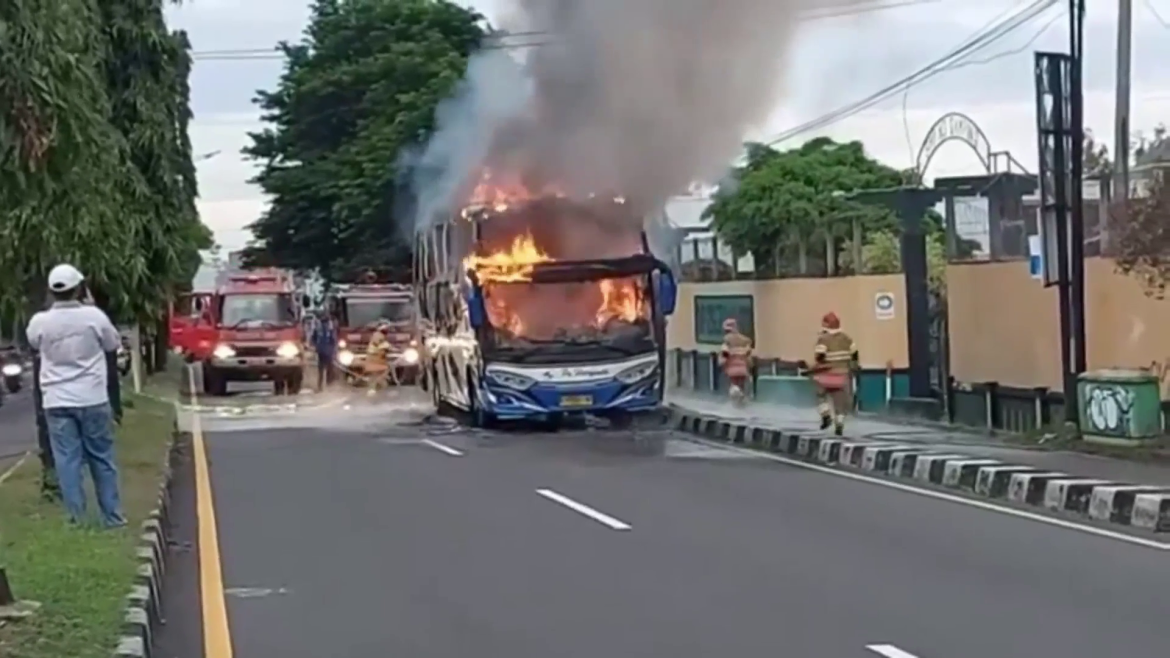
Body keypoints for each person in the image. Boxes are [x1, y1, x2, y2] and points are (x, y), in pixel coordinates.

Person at [26, 264, 125, 527]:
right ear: (80, 289)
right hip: (92, 398)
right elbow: (112, 344)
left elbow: (34, 344)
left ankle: (76, 519)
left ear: (51, 291)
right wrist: (91, 306)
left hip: (56, 401)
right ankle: (113, 518)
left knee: (67, 461)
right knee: (101, 458)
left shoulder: (40, 321)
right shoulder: (94, 316)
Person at [810, 311, 858, 436]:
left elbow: (819, 356)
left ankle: (825, 414)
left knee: (820, 393)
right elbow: (854, 354)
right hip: (842, 374)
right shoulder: (847, 339)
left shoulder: (823, 339)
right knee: (840, 400)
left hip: (827, 374)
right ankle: (839, 423)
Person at [718, 318, 753, 407]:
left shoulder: (726, 340)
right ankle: (742, 401)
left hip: (732, 369)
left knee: (733, 385)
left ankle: (735, 403)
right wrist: (749, 366)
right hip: (743, 368)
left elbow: (725, 354)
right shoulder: (745, 341)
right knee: (742, 386)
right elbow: (748, 356)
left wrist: (721, 363)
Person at [364, 323, 392, 396]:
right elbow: (382, 345)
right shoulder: (378, 335)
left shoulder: (378, 335)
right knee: (377, 374)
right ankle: (375, 389)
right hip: (374, 359)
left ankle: (378, 388)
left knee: (377, 374)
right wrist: (389, 347)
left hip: (376, 359)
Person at [312, 315, 337, 391]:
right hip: (327, 352)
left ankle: (320, 386)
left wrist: (316, 347)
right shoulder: (330, 330)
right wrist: (333, 351)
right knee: (329, 369)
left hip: (321, 351)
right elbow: (333, 341)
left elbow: (313, 339)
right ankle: (328, 385)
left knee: (321, 370)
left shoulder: (318, 330)